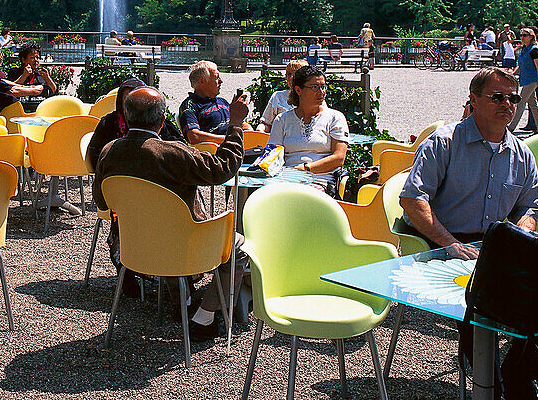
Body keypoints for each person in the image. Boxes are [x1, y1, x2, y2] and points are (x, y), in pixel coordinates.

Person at [399, 66, 538, 399]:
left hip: (497, 244)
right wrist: (448, 243)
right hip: (445, 241)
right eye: (497, 97)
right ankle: (488, 385)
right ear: (473, 100)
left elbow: (531, 207)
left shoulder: (522, 153)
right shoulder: (445, 142)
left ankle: (516, 377)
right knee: (483, 297)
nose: (507, 104)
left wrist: (521, 235)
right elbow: (412, 198)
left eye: (513, 98)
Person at [93, 86, 248, 342]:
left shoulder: (109, 152)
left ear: (126, 115)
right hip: (182, 246)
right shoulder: (175, 154)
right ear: (162, 120)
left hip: (132, 247)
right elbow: (224, 168)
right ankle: (204, 317)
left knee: (163, 227)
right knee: (238, 247)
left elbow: (102, 200)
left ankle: (182, 297)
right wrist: (235, 124)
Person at [267, 65, 348, 196]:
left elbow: (339, 158)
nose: (321, 92)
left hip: (320, 180)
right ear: (298, 90)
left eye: (323, 86)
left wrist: (305, 168)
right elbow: (273, 155)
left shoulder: (335, 118)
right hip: (286, 179)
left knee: (299, 198)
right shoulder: (282, 120)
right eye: (315, 87)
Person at [178, 60, 251, 145]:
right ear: (202, 81)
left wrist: (249, 130)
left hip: (235, 147)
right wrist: (229, 139)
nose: (221, 81)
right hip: (217, 153)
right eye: (216, 77)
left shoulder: (222, 102)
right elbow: (194, 136)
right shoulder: (190, 106)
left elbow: (238, 124)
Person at [510, 28, 538, 133]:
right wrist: (512, 73)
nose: (522, 37)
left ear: (531, 37)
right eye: (521, 35)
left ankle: (511, 127)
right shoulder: (525, 49)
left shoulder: (534, 49)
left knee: (520, 102)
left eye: (524, 35)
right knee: (533, 105)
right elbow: (520, 65)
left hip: (532, 80)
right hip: (526, 80)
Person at [5, 42, 57, 112]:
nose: (36, 60)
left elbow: (53, 91)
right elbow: (10, 91)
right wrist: (24, 76)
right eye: (32, 58)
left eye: (37, 58)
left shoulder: (42, 74)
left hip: (39, 110)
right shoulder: (15, 72)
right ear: (23, 60)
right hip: (20, 110)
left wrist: (47, 78)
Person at [257, 59, 306, 132]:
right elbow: (266, 123)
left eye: (295, 74)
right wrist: (260, 130)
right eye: (289, 74)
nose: (291, 77)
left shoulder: (314, 98)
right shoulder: (278, 97)